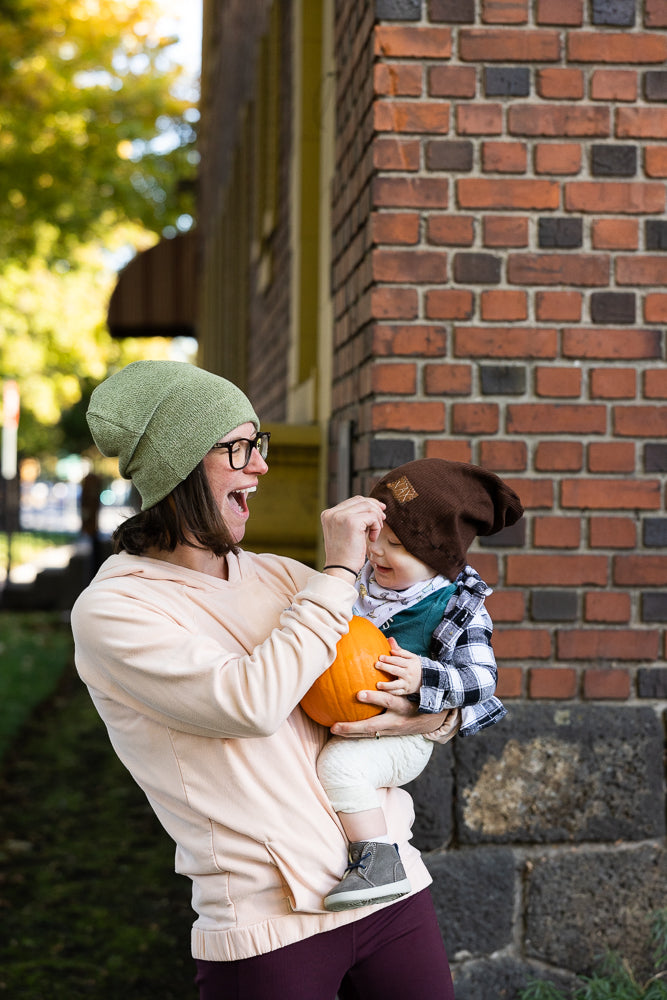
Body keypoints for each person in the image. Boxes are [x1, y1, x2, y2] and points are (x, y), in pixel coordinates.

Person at [70, 360, 460, 1000]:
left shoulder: (280, 576)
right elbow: (250, 703)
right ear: (182, 463)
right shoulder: (116, 610)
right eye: (240, 447)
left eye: (260, 446)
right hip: (268, 926)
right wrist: (337, 572)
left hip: (389, 890)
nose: (261, 466)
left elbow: (384, 672)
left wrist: (436, 715)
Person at [317, 459, 523, 912]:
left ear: (437, 556)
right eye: (375, 537)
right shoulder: (360, 581)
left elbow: (482, 680)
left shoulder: (455, 606)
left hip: (405, 735)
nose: (378, 553)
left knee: (339, 769)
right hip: (346, 713)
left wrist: (424, 677)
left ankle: (378, 861)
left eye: (397, 545)